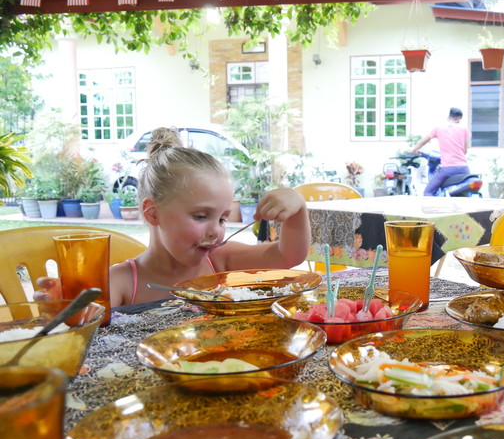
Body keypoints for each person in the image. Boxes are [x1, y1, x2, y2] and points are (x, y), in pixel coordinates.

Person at [35, 127, 311, 307]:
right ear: (153, 213)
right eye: (202, 216)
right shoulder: (120, 283)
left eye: (223, 218)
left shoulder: (219, 260)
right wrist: (62, 307)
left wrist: (298, 209)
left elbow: (288, 256)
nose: (216, 231)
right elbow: (83, 326)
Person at [411, 107, 471, 196]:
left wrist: (414, 150)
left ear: (449, 117)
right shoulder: (464, 129)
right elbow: (465, 151)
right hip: (464, 168)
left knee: (428, 192)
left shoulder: (438, 128)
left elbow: (423, 141)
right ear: (458, 118)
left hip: (447, 168)